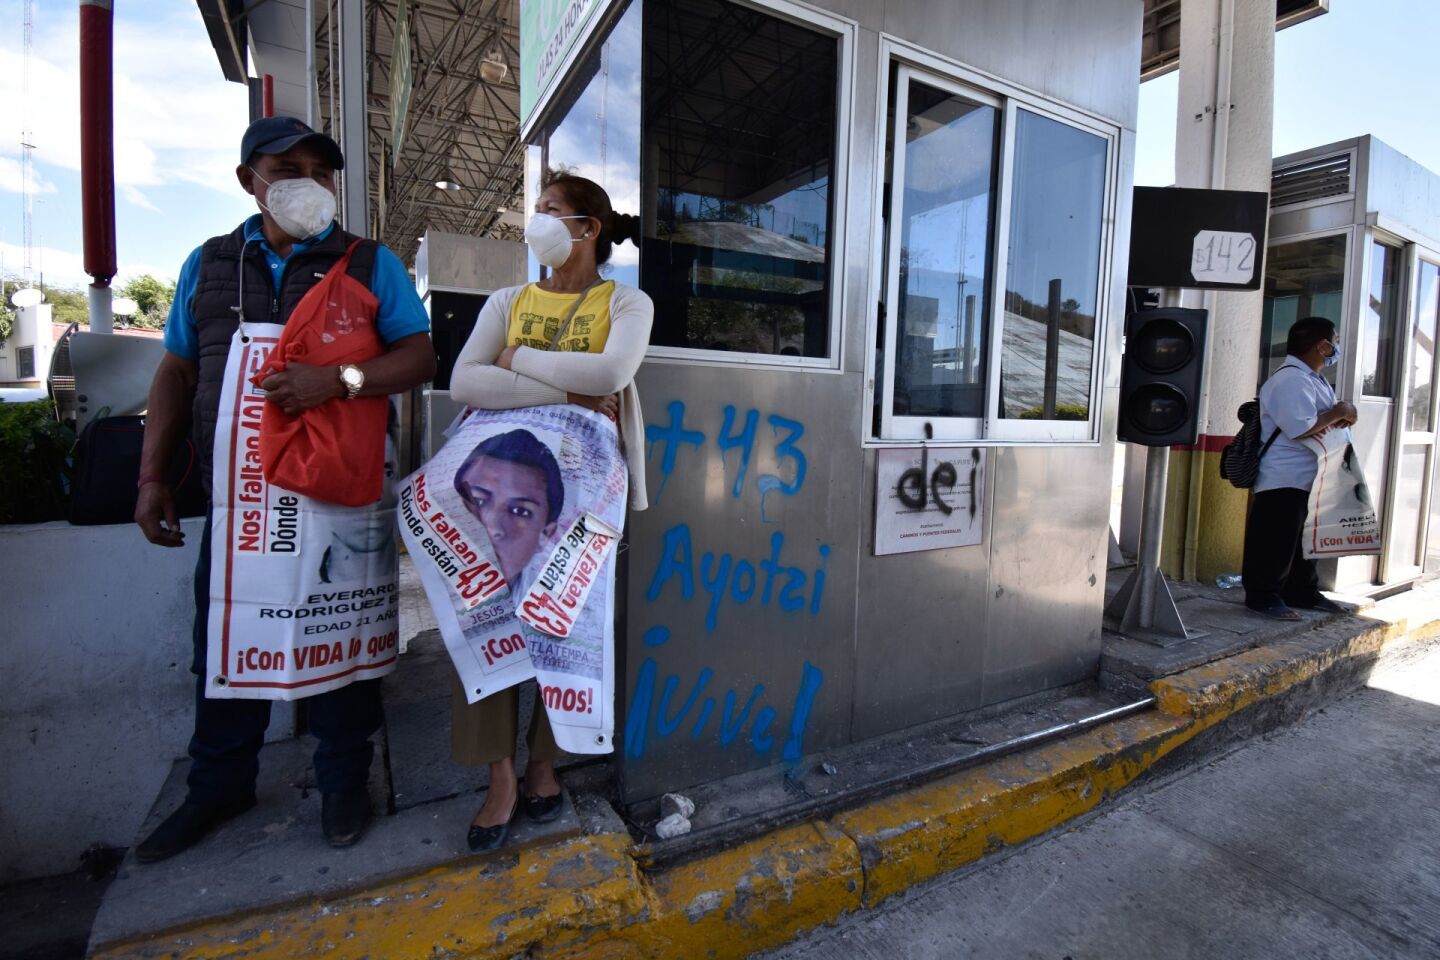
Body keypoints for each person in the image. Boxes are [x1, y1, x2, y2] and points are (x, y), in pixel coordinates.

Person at [133, 116, 435, 860]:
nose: (308, 181)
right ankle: (219, 784)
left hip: (340, 495)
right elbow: (176, 369)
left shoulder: (369, 264)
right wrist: (151, 476)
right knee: (225, 639)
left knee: (340, 635)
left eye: (320, 169)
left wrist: (340, 379)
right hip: (240, 502)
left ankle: (342, 782)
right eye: (288, 167)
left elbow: (421, 355)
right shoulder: (208, 265)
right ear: (250, 181)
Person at [448, 169, 651, 852]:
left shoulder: (626, 304)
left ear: (587, 230)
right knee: (487, 621)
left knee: (563, 627)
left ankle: (543, 766)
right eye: (536, 209)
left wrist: (516, 362)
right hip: (494, 492)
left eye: (551, 210)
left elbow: (610, 376)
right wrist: (564, 396)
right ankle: (498, 778)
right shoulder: (508, 298)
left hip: (585, 496)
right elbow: (462, 381)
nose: (536, 221)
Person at [1242, 316, 1356, 620]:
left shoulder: (1312, 379)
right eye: (1335, 341)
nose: (1336, 348)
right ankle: (1262, 597)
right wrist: (1339, 412)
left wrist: (1342, 414)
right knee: (1275, 540)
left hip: (1311, 475)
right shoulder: (1290, 379)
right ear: (1322, 345)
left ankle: (1302, 591)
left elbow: (1329, 419)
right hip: (1284, 476)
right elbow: (1299, 427)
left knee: (1304, 540)